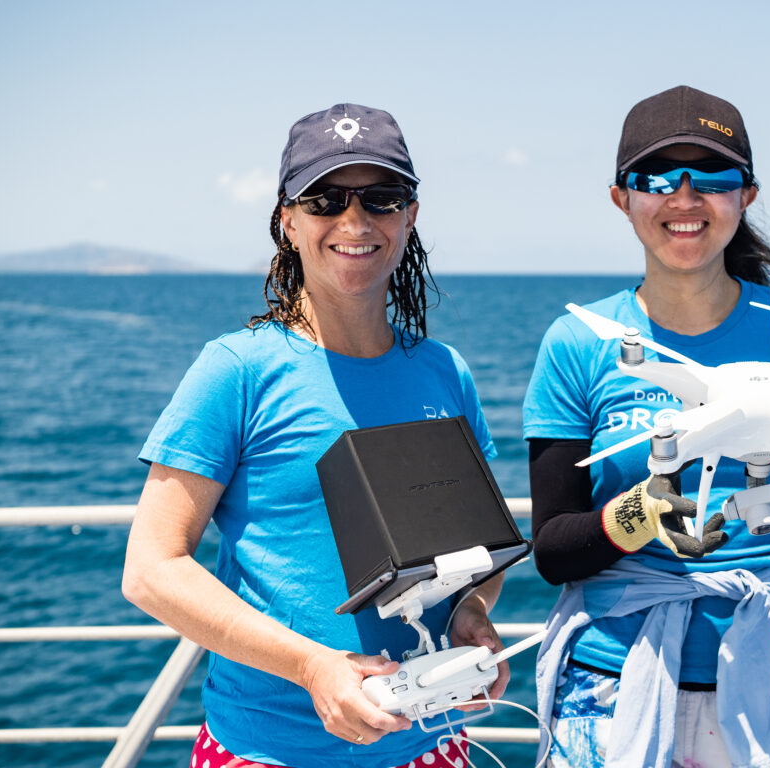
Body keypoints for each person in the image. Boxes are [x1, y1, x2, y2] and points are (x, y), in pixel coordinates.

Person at [122, 103, 508, 768]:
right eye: (326, 199)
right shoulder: (237, 370)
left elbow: (467, 553)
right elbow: (152, 571)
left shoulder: (445, 373)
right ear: (288, 220)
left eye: (382, 198)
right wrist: (310, 667)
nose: (355, 222)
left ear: (410, 216)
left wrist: (471, 609)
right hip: (267, 751)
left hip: (431, 742)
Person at [523, 86, 770, 768]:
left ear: (745, 195)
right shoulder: (577, 343)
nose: (686, 199)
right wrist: (649, 511)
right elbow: (554, 550)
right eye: (657, 178)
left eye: (713, 178)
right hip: (609, 685)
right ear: (622, 197)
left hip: (764, 679)